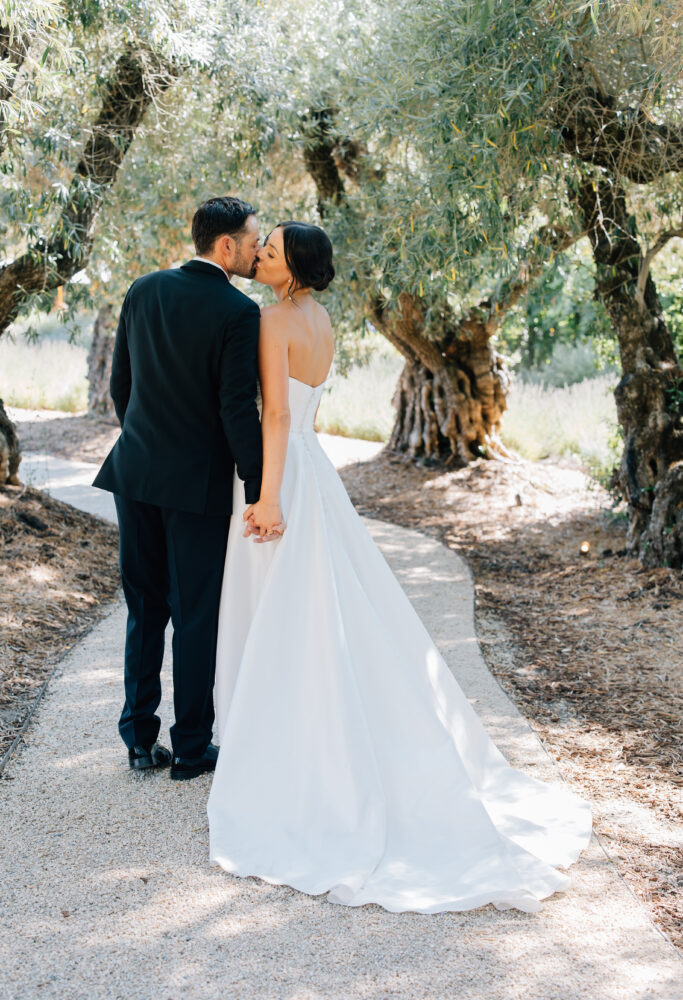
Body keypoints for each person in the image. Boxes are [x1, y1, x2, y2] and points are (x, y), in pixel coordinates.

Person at [207, 221, 593, 914]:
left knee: (280, 608)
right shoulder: (318, 318)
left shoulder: (271, 319)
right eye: (259, 245)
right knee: (317, 609)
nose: (257, 252)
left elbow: (276, 419)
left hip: (284, 475)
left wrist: (266, 497)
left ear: (291, 266)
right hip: (314, 472)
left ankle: (282, 749)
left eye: (268, 249)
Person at [93, 197, 262, 780]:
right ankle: (191, 746)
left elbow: (122, 387)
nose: (257, 250)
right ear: (225, 246)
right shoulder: (240, 313)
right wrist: (259, 483)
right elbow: (237, 409)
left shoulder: (143, 289)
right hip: (197, 487)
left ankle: (139, 739)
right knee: (194, 616)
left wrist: (146, 446)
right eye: (252, 241)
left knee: (144, 607)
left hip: (134, 474)